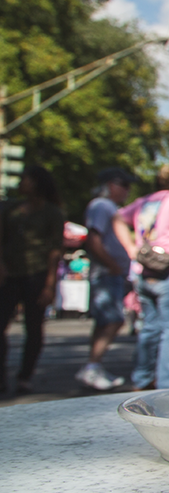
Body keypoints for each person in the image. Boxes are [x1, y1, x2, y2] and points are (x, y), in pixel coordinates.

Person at [115, 163, 169, 390]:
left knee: (149, 327)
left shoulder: (146, 201)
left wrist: (131, 248)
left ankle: (142, 378)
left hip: (144, 270)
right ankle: (168, 385)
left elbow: (118, 219)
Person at [0, 165, 65, 394]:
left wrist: (49, 284)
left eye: (25, 179)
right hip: (9, 275)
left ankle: (25, 376)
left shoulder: (52, 213)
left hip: (36, 275)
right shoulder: (11, 209)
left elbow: (55, 250)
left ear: (36, 182)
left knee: (33, 327)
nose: (21, 183)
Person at [78, 167, 134, 391]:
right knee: (114, 320)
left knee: (104, 321)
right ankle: (92, 366)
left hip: (109, 271)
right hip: (106, 272)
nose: (128, 191)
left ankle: (95, 366)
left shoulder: (107, 207)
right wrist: (112, 264)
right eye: (125, 186)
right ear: (112, 185)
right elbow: (94, 238)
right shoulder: (102, 206)